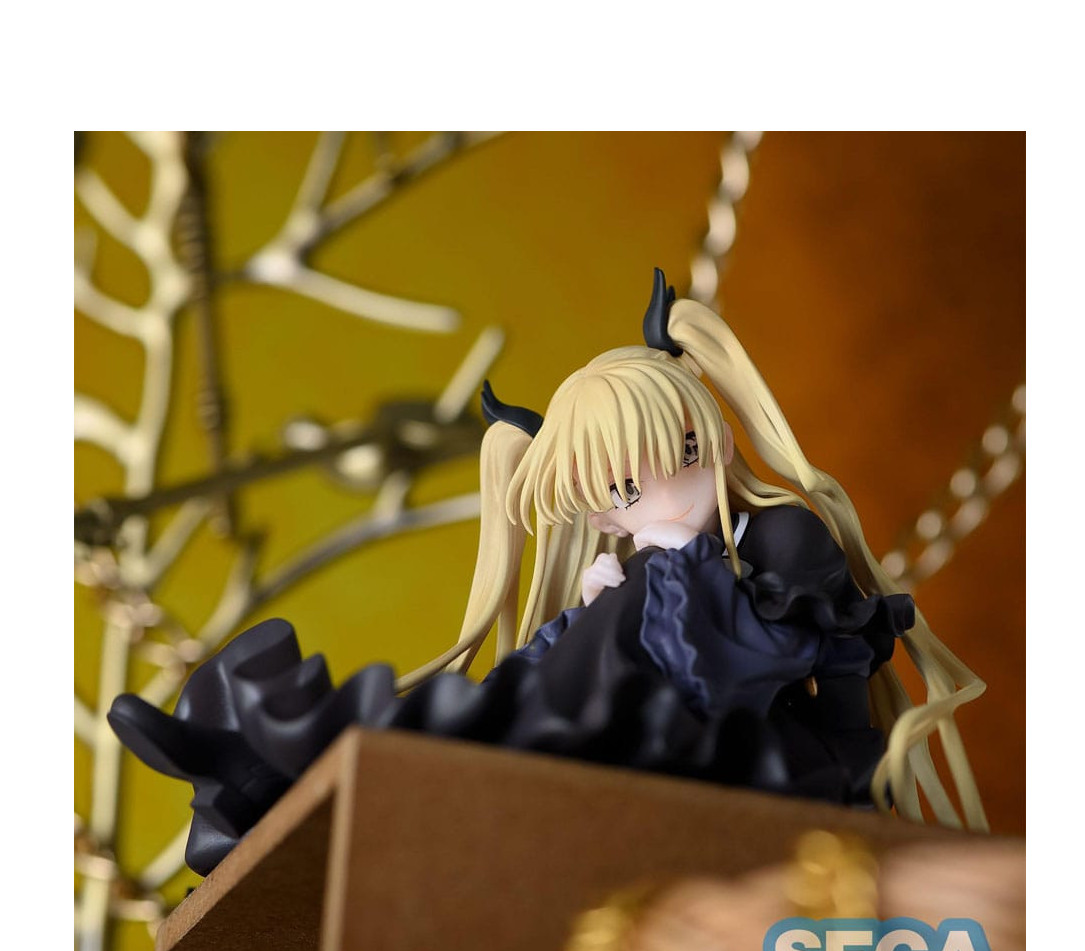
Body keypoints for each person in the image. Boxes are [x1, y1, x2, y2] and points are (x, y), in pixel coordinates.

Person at [109, 271, 986, 874]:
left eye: (683, 451)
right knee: (506, 698)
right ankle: (274, 774)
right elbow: (546, 680)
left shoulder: (778, 541)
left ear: (715, 435)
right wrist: (610, 608)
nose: (668, 487)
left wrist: (664, 586)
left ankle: (326, 755)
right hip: (633, 755)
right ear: (603, 512)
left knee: (570, 671)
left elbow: (805, 673)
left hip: (758, 767)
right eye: (627, 488)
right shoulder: (626, 579)